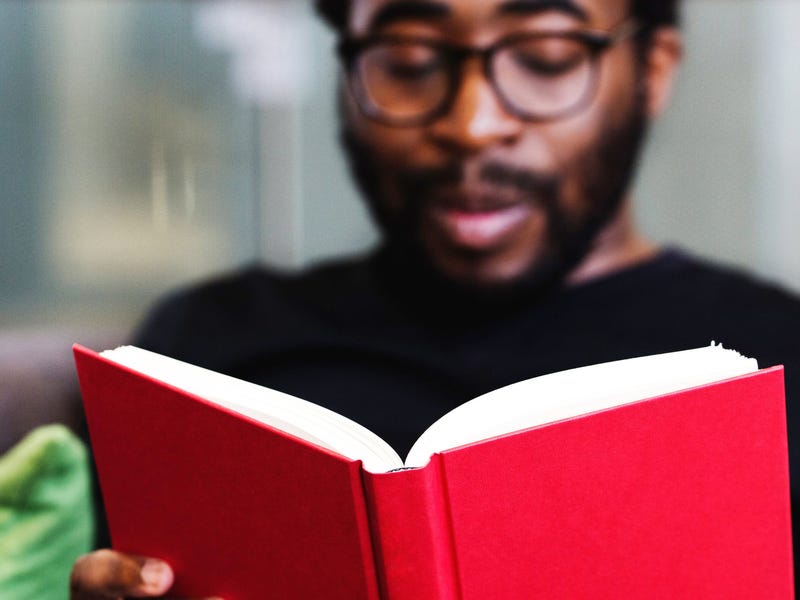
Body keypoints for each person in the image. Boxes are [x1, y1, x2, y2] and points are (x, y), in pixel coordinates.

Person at [70, 0, 800, 597]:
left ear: (653, 70)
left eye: (547, 58)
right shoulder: (201, 352)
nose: (472, 125)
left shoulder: (772, 351)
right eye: (409, 62)